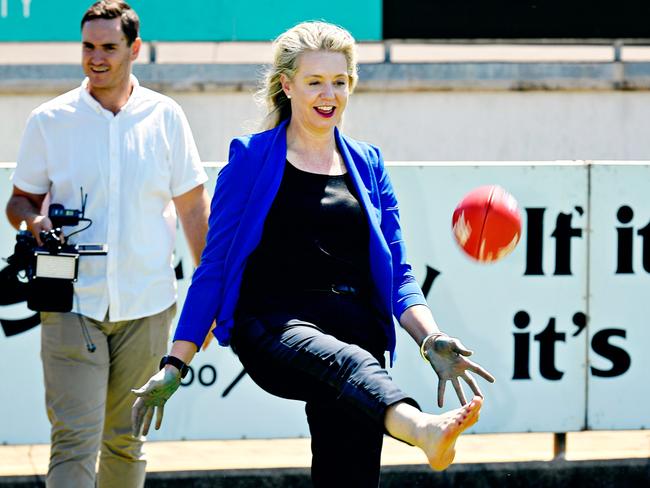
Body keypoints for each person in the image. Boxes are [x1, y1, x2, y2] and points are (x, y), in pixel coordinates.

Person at [132, 21, 495, 487]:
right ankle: (422, 428)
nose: (330, 94)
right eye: (315, 82)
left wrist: (431, 338)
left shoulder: (369, 163)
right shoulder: (249, 157)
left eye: (340, 82)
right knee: (353, 364)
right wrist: (175, 363)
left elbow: (399, 273)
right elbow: (215, 268)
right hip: (272, 325)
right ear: (287, 85)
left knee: (349, 473)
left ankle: (408, 428)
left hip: (355, 326)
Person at [4, 1, 210, 487]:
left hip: (148, 307)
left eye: (109, 48)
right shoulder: (50, 119)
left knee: (126, 440)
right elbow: (19, 200)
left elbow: (192, 208)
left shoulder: (166, 116)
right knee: (74, 440)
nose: (96, 58)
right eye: (88, 47)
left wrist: (210, 295)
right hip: (71, 305)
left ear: (134, 49)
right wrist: (34, 223)